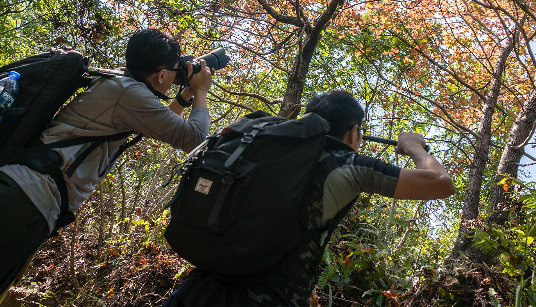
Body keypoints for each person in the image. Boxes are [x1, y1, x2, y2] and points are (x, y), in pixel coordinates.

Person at [0, 28, 213, 307]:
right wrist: (200, 91)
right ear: (160, 73)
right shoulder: (131, 95)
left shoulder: (121, 87)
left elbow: (157, 122)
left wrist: (184, 94)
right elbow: (194, 137)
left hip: (13, 195)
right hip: (23, 203)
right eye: (173, 69)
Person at [163, 89, 455, 306]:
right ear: (353, 132)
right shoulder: (347, 165)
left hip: (196, 290)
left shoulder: (267, 154)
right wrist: (415, 147)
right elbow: (440, 184)